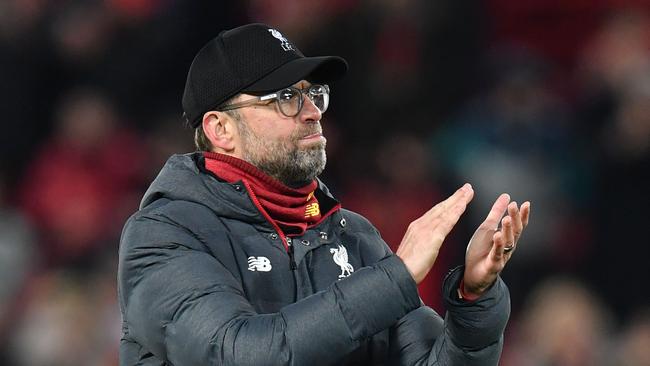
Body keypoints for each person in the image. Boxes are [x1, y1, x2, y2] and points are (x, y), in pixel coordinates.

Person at [117, 23, 531, 366]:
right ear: (220, 129)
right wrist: (394, 278)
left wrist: (475, 299)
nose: (312, 111)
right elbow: (239, 355)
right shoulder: (163, 234)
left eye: (313, 94)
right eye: (285, 98)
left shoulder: (353, 236)